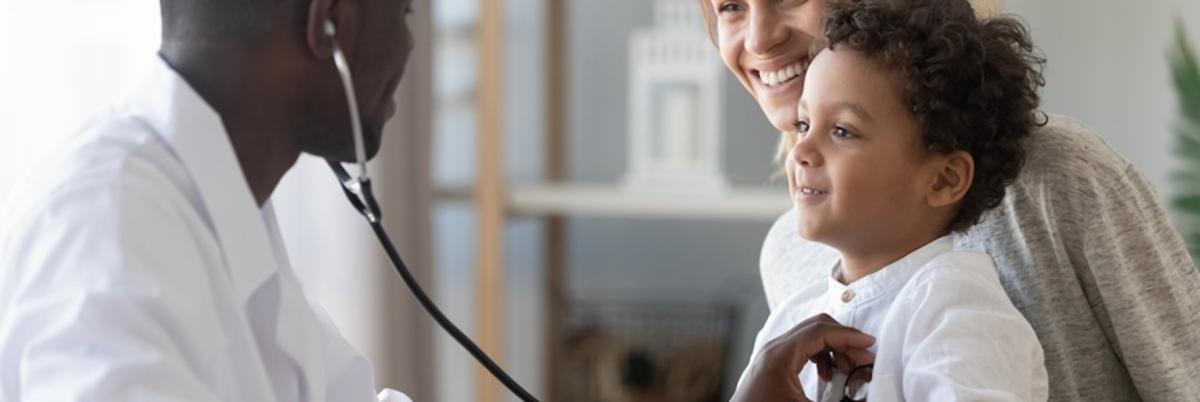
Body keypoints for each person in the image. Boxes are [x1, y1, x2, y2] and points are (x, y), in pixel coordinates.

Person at [700, 0, 1200, 400]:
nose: (760, 38)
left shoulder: (1057, 179)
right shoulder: (792, 258)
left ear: (946, 179)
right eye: (729, 7)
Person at [0, 0, 416, 401]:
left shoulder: (225, 206)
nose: (408, 46)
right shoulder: (106, 231)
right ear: (330, 23)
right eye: (404, 11)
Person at [737, 0, 1049, 399]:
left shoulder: (956, 313)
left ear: (943, 179)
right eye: (803, 124)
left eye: (843, 131)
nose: (801, 151)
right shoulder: (792, 320)